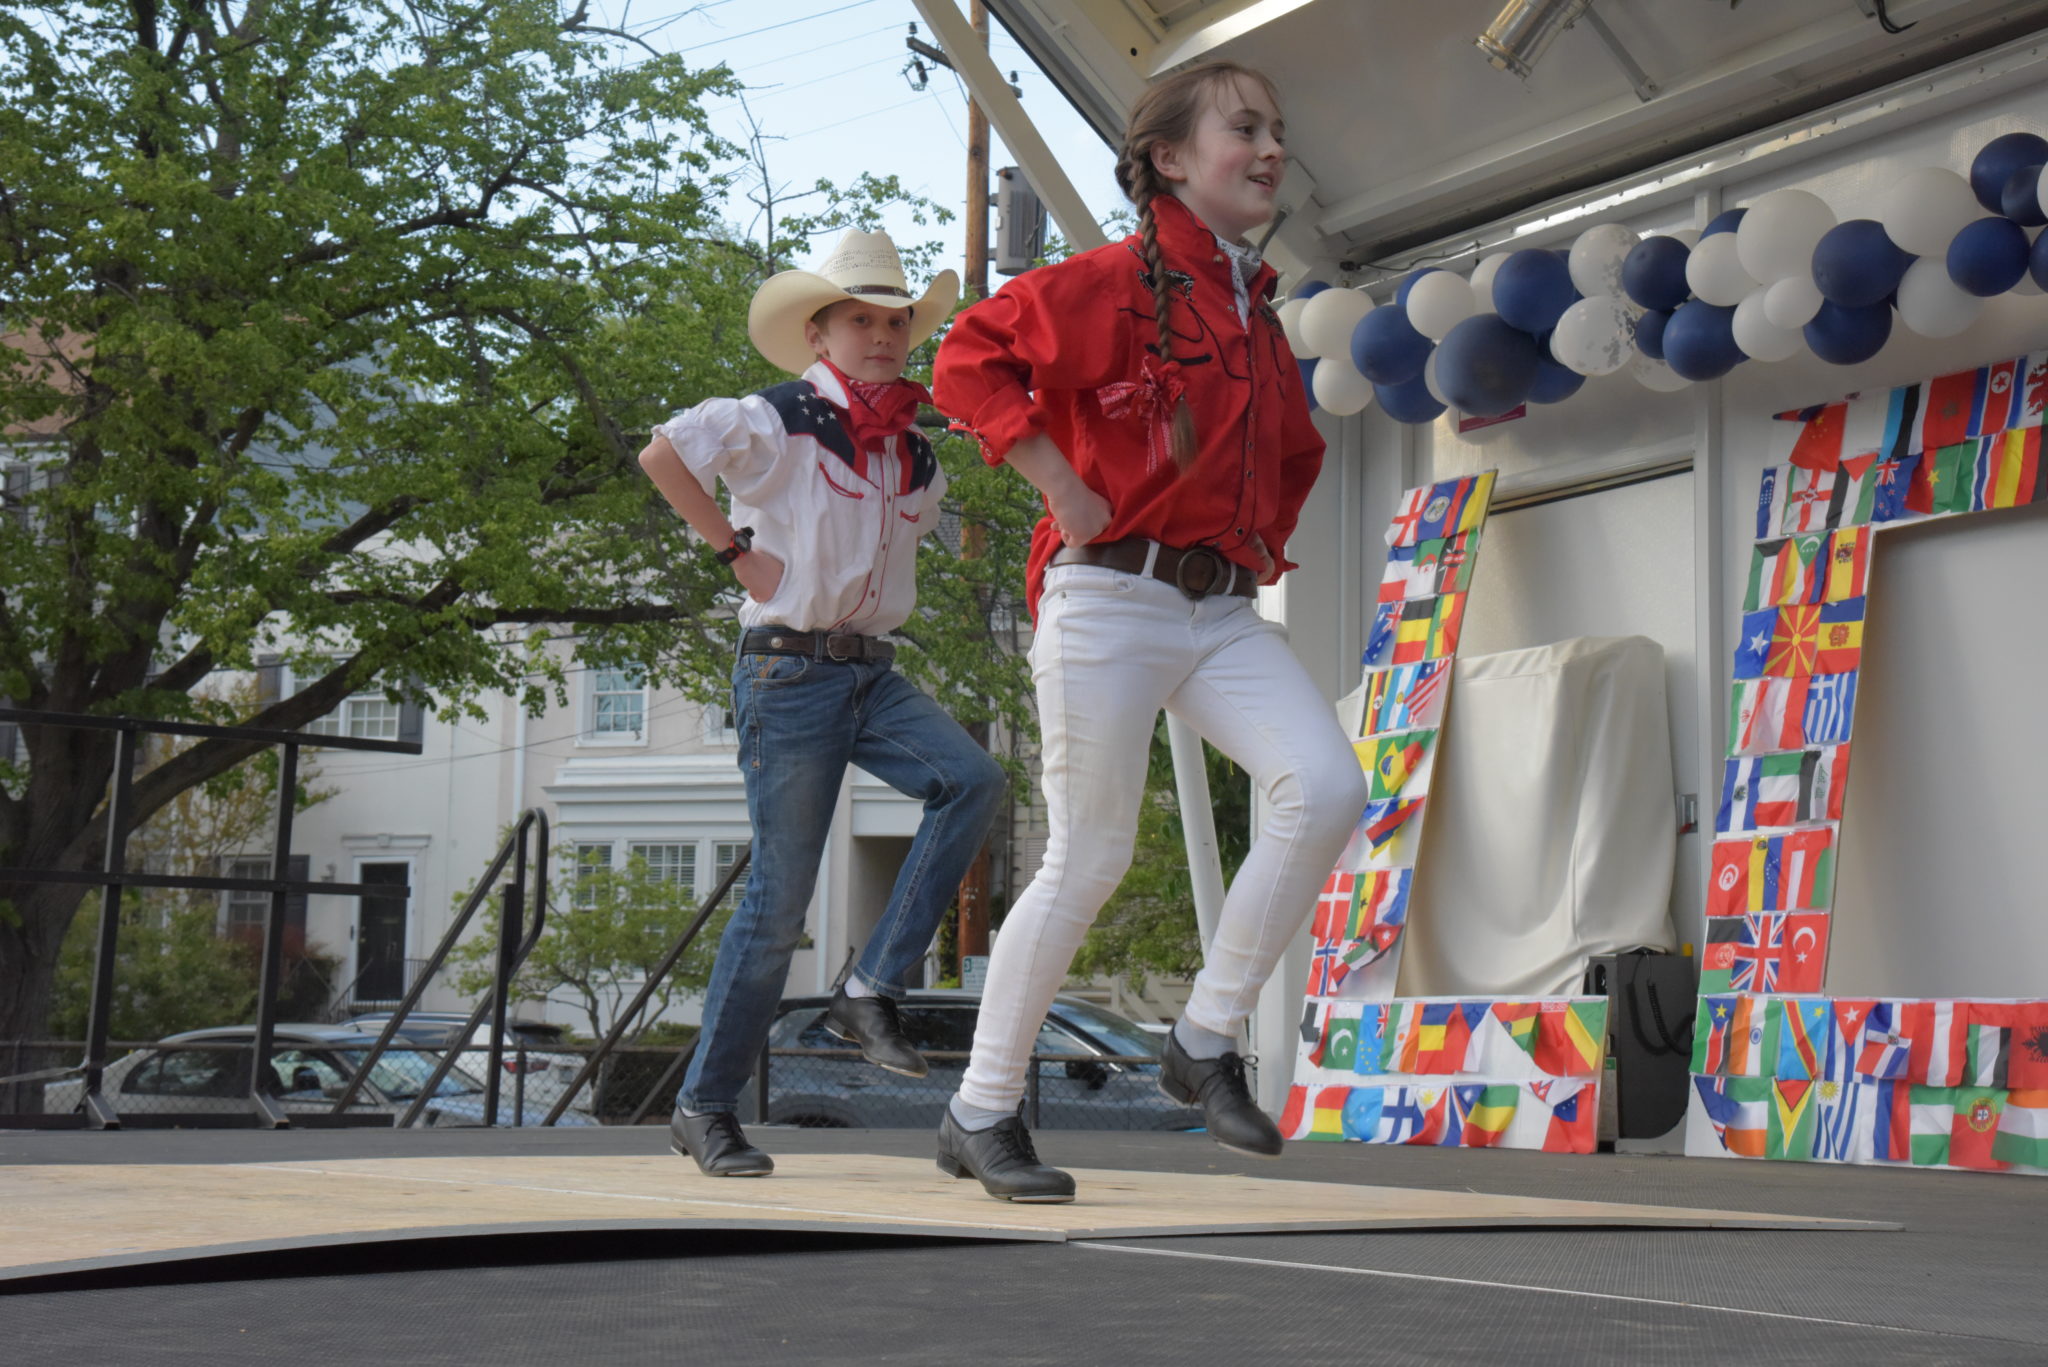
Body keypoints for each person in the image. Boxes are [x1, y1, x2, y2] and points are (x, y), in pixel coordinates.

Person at [929, 61, 1369, 1203]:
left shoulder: (1251, 311)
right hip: (1106, 596)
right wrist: (1054, 477)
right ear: (1169, 158)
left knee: (1322, 787)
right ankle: (980, 1108)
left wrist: (1250, 545)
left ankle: (1204, 1037)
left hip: (1216, 607)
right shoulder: (1107, 282)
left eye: (1276, 128)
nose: (1270, 147)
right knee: (1092, 850)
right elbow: (966, 357)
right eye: (1244, 127)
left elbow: (1293, 455)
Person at [638, 230, 1007, 1177]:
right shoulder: (779, 417)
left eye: (897, 322)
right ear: (819, 333)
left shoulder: (917, 452)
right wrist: (733, 550)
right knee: (779, 898)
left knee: (971, 779)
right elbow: (663, 454)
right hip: (789, 669)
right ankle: (705, 1104)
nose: (883, 336)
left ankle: (871, 984)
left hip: (869, 670)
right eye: (862, 320)